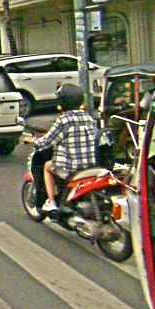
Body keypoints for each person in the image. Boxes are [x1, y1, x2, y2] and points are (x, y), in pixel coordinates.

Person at [22, 84, 98, 213]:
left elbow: (46, 142)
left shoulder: (64, 120)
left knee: (47, 166)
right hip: (91, 165)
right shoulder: (88, 117)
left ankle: (51, 202)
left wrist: (31, 140)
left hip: (70, 167)